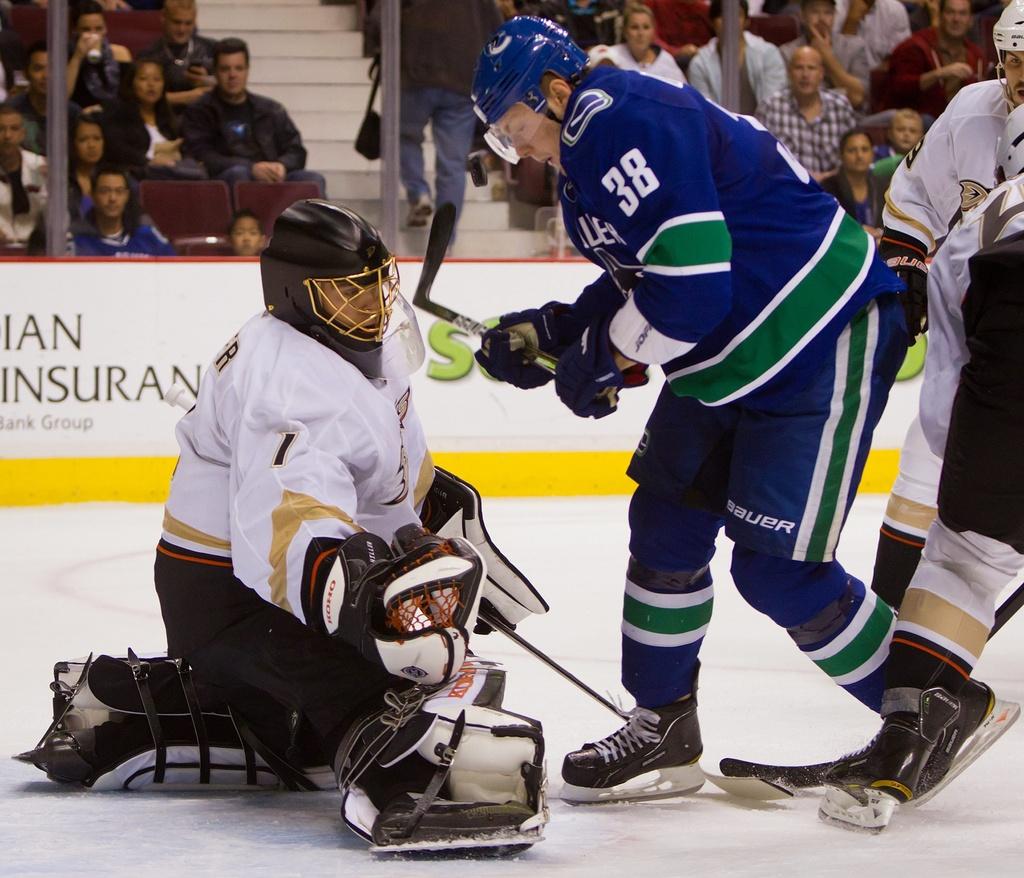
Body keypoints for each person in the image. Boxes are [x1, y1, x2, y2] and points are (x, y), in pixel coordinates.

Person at [471, 16, 909, 805]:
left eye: (515, 127)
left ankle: (920, 708)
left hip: (812, 331)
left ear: (556, 91)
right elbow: (650, 272)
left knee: (779, 572)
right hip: (734, 348)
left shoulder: (620, 120)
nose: (519, 149)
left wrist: (601, 358)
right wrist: (558, 329)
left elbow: (693, 288)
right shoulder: (589, 148)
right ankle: (663, 725)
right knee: (666, 524)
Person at [23, 200, 549, 853]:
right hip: (230, 596)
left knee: (421, 667)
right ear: (295, 294)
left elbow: (380, 472)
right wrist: (358, 599)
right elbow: (286, 517)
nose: (375, 304)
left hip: (262, 581)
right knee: (368, 690)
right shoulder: (286, 376)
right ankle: (395, 772)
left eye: (378, 283)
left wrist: (429, 539)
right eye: (350, 292)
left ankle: (208, 710)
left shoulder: (358, 344)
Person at [819, 105, 1024, 834]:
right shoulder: (970, 128)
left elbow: (947, 396)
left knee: (965, 560)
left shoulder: (983, 222)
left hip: (1001, 410)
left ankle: (903, 745)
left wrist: (975, 477)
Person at [869, 1, 1024, 611]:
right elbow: (914, 195)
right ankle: (888, 613)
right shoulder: (972, 110)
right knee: (924, 456)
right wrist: (907, 264)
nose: (1020, 76)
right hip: (978, 326)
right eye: (1013, 61)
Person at [366, 0, 501, 228]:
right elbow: (497, 30)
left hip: (415, 73)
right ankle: (445, 239)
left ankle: (418, 192)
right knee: (453, 164)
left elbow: (379, 22)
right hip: (462, 80)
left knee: (403, 137)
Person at [181, 38, 324, 192]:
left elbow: (296, 150)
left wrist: (282, 165)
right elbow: (202, 155)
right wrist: (251, 168)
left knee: (314, 180)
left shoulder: (270, 109)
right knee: (239, 174)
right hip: (226, 180)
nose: (232, 75)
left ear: (247, 70)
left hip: (273, 176)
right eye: (225, 69)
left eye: (239, 68)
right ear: (215, 71)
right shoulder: (200, 111)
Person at [756, 46, 858, 181]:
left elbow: (854, 154)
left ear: (821, 73)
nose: (805, 75)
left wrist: (828, 179)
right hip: (788, 187)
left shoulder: (841, 107)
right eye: (799, 68)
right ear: (789, 72)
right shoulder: (770, 108)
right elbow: (760, 159)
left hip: (835, 189)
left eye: (811, 68)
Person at [101, 59, 204, 180]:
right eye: (143, 79)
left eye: (157, 79)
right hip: (138, 176)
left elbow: (185, 149)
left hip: (174, 174)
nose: (151, 84)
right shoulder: (118, 114)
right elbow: (117, 149)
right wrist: (149, 159)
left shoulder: (170, 120)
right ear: (131, 83)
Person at [884, 0, 984, 120]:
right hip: (914, 120)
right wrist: (939, 74)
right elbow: (898, 88)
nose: (956, 19)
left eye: (962, 13)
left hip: (957, 121)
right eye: (950, 12)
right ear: (940, 16)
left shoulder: (976, 55)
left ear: (970, 20)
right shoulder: (916, 46)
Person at [687, 0, 787, 114]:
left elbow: (773, 106)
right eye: (722, 15)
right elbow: (707, 112)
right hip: (720, 129)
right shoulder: (699, 63)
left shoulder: (768, 54)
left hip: (762, 127)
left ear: (747, 21)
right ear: (712, 22)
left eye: (737, 15)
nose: (729, 21)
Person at [781, 0, 870, 110]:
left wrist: (828, 58)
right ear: (802, 16)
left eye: (828, 13)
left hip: (850, 120)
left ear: (834, 16)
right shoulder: (788, 52)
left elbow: (858, 98)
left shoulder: (854, 47)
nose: (822, 19)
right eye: (815, 12)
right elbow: (789, 99)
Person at [71, 164, 177, 256]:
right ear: (93, 196)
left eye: (119, 191)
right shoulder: (78, 241)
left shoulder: (149, 236)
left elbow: (174, 270)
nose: (112, 198)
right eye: (104, 191)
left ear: (127, 196)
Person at [139, 0, 216, 114]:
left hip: (205, 120)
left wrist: (207, 81)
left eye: (188, 23)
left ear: (195, 21)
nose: (182, 29)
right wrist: (187, 97)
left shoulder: (212, 49)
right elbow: (140, 97)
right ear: (163, 17)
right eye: (176, 22)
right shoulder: (149, 55)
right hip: (164, 120)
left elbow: (230, 86)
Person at [9, 41, 82, 156]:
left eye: (52, 68)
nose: (46, 75)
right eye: (38, 69)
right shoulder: (11, 110)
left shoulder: (73, 113)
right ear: (26, 74)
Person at [67, 0, 132, 112]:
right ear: (75, 30)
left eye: (98, 29)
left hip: (113, 117)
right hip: (80, 117)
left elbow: (130, 98)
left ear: (105, 29)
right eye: (86, 29)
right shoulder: (67, 55)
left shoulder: (120, 54)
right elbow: (62, 97)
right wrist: (77, 57)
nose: (93, 35)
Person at [820, 128, 884, 235]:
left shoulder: (882, 186)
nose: (859, 156)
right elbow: (826, 225)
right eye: (852, 150)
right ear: (841, 155)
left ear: (872, 154)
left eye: (864, 149)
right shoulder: (828, 188)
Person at [0, 103, 46, 247]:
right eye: (1, 129)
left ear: (23, 134)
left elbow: (53, 213)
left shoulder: (40, 165)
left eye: (14, 129)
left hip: (34, 249)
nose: (7, 135)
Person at [605, 3, 686, 81]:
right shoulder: (611, 56)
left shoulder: (665, 60)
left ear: (654, 31)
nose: (641, 33)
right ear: (625, 31)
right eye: (634, 27)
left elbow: (684, 92)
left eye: (646, 27)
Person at [833, 0, 911, 70]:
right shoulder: (832, 9)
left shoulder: (895, 10)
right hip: (838, 82)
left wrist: (872, 79)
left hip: (880, 81)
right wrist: (851, 21)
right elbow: (834, 66)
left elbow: (901, 59)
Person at [642, 0, 714, 70]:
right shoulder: (655, 3)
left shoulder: (707, 9)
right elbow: (646, 35)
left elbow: (718, 41)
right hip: (662, 62)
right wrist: (677, 51)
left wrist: (701, 52)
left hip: (704, 63)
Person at [870, 107, 923, 187]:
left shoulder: (925, 160)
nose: (906, 134)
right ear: (889, 133)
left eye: (913, 131)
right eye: (900, 129)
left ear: (921, 136)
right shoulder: (874, 154)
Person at [68, 114, 104, 222]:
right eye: (83, 140)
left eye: (97, 139)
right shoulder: (63, 181)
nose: (91, 145)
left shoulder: (116, 178)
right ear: (72, 143)